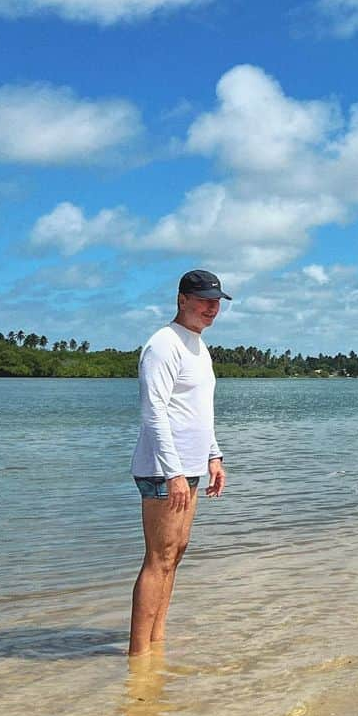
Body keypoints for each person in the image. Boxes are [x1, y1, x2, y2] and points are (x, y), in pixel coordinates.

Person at [128, 270, 230, 656]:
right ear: (182, 299)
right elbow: (153, 412)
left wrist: (213, 455)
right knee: (159, 557)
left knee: (177, 552)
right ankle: (138, 654)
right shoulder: (163, 345)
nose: (212, 307)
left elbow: (198, 410)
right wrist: (173, 473)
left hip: (189, 467)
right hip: (163, 470)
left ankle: (158, 642)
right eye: (204, 299)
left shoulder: (198, 347)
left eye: (216, 301)